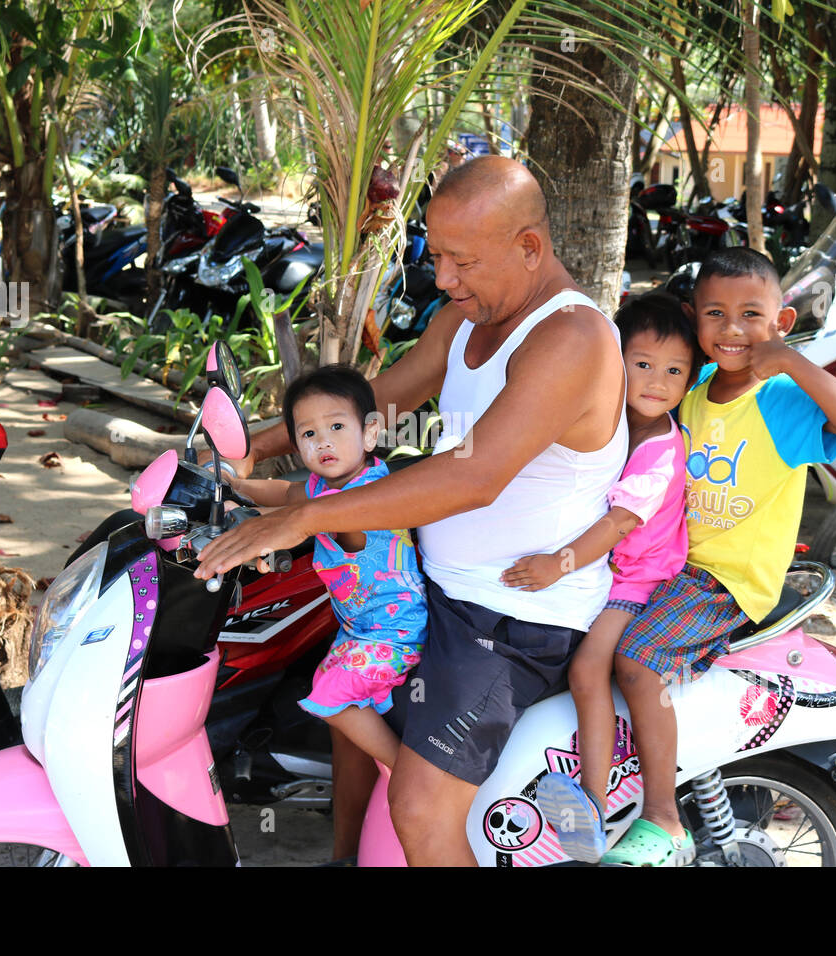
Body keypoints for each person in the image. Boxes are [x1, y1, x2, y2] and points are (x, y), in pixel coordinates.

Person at [193, 155, 628, 866]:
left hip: (511, 617)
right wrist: (240, 449)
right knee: (345, 688)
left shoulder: (570, 338)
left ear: (529, 248)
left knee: (421, 808)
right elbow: (386, 402)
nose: (445, 280)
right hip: (433, 584)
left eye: (462, 261)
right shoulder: (467, 319)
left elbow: (478, 474)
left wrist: (307, 515)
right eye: (439, 257)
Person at [554, 247, 836, 866]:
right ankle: (593, 795)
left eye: (751, 314)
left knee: (639, 661)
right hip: (667, 565)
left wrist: (792, 360)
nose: (731, 329)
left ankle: (664, 818)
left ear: (781, 319)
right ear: (694, 320)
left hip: (725, 578)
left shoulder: (781, 400)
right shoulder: (688, 384)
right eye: (715, 314)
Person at [499, 291, 701, 863]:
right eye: (643, 365)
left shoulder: (660, 449)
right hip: (603, 567)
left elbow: (617, 525)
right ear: (614, 361)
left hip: (634, 578)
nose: (658, 382)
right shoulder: (608, 421)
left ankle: (590, 802)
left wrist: (554, 564)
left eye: (674, 371)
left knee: (590, 668)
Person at [218, 365, 426, 769]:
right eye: (309, 434)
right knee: (323, 680)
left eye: (336, 427)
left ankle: (405, 772)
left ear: (368, 432)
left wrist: (255, 525)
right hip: (359, 628)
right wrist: (236, 487)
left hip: (394, 632)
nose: (323, 442)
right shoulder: (326, 486)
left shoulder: (363, 496)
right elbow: (287, 492)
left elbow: (306, 518)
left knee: (330, 698)